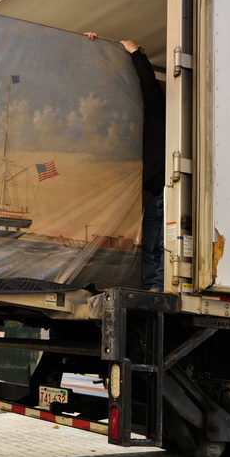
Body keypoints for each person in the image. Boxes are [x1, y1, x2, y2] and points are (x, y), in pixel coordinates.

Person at [86, 32, 165, 291]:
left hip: (160, 192)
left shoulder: (159, 113)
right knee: (148, 244)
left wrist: (135, 54)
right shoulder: (123, 124)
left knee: (156, 243)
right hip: (147, 193)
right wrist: (95, 49)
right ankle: (153, 284)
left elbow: (150, 86)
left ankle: (157, 285)